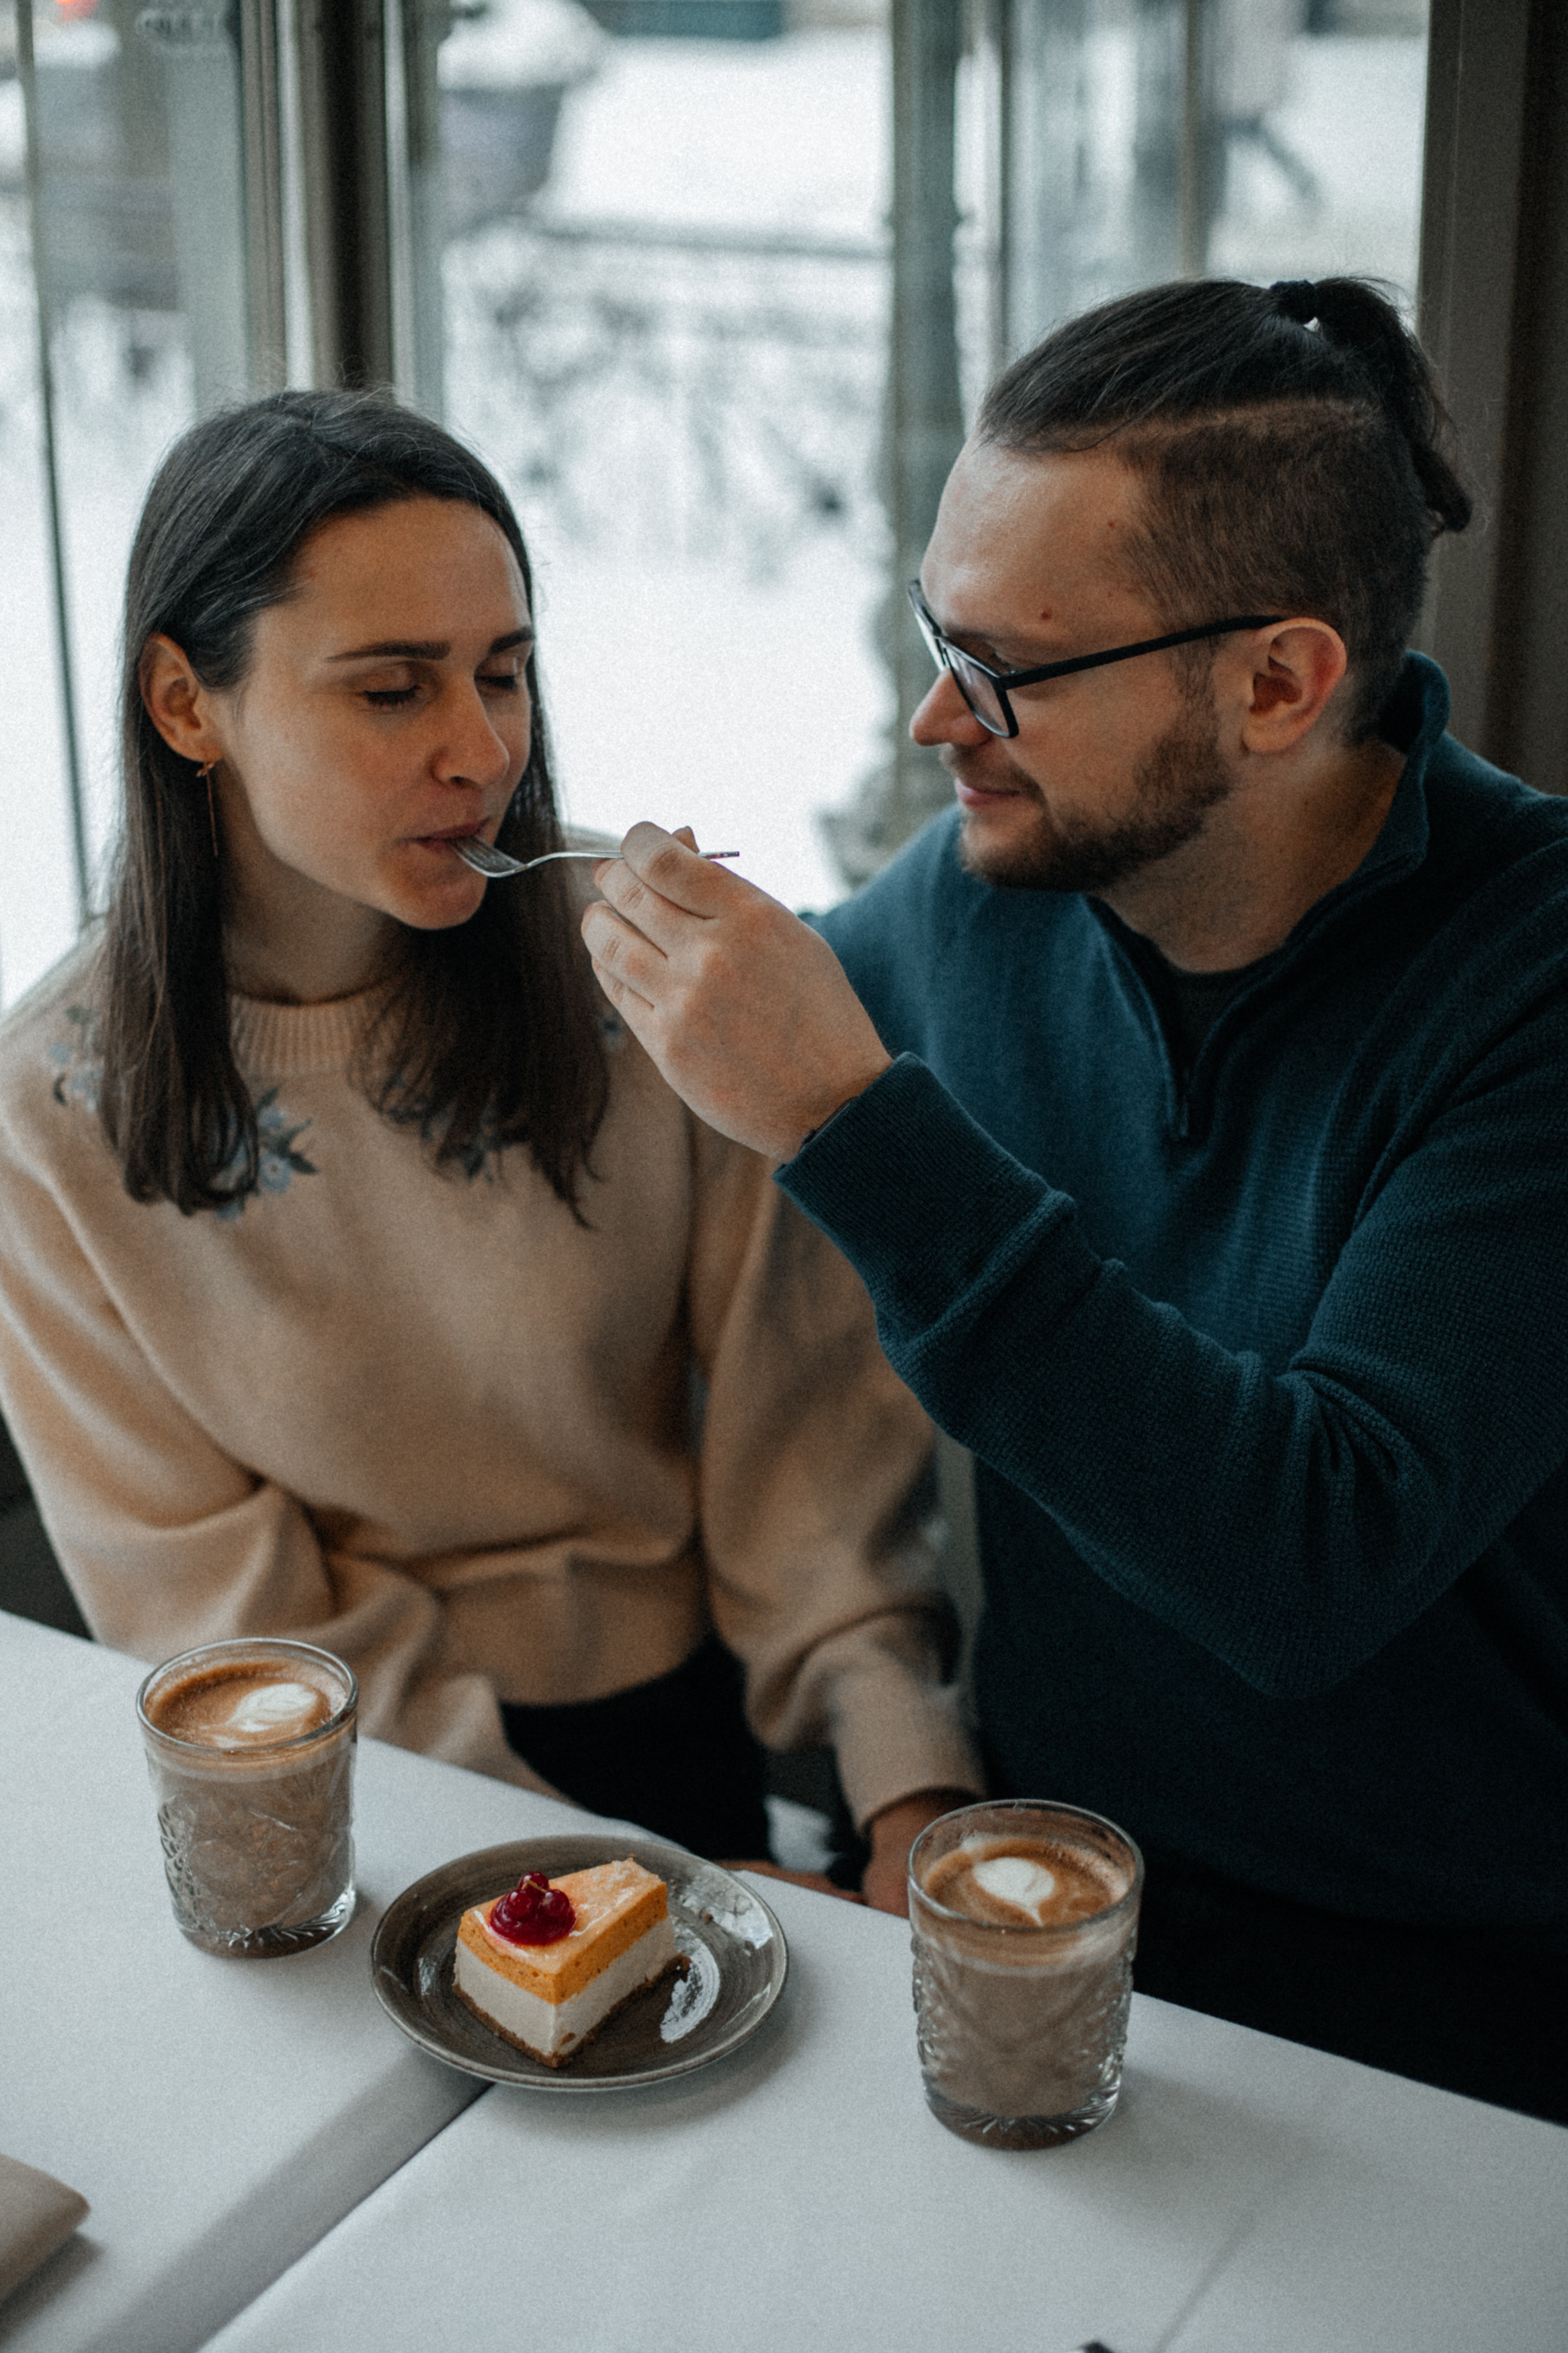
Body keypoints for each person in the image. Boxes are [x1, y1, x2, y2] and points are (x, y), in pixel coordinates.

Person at [579, 278, 1568, 2120]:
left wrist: (853, 1121)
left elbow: (1308, 1551)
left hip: (1456, 2002)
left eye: (1006, 671)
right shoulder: (986, 889)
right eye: (932, 634)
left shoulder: (1530, 981)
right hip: (1030, 1890)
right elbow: (698, 1076)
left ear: (1276, 682)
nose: (926, 722)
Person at [0, 389, 979, 1894]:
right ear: (187, 704)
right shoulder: (45, 1121)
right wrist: (619, 1889)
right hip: (338, 1804)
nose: (482, 749)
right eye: (394, 690)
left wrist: (910, 1798)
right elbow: (222, 1630)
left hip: (685, 1746)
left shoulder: (651, 981)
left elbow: (819, 1471)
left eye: (504, 674)